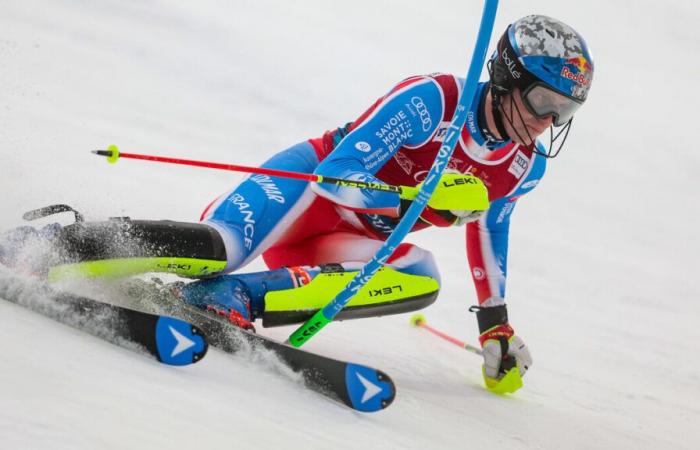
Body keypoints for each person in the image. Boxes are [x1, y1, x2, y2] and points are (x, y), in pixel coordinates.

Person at [0, 15, 594, 386]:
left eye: (564, 112)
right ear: (509, 77)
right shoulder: (434, 100)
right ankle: (48, 245)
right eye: (544, 101)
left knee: (421, 274)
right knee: (221, 248)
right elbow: (337, 176)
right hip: (303, 191)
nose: (548, 123)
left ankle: (231, 298)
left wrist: (495, 324)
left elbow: (491, 230)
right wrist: (423, 192)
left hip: (342, 236)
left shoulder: (520, 166)